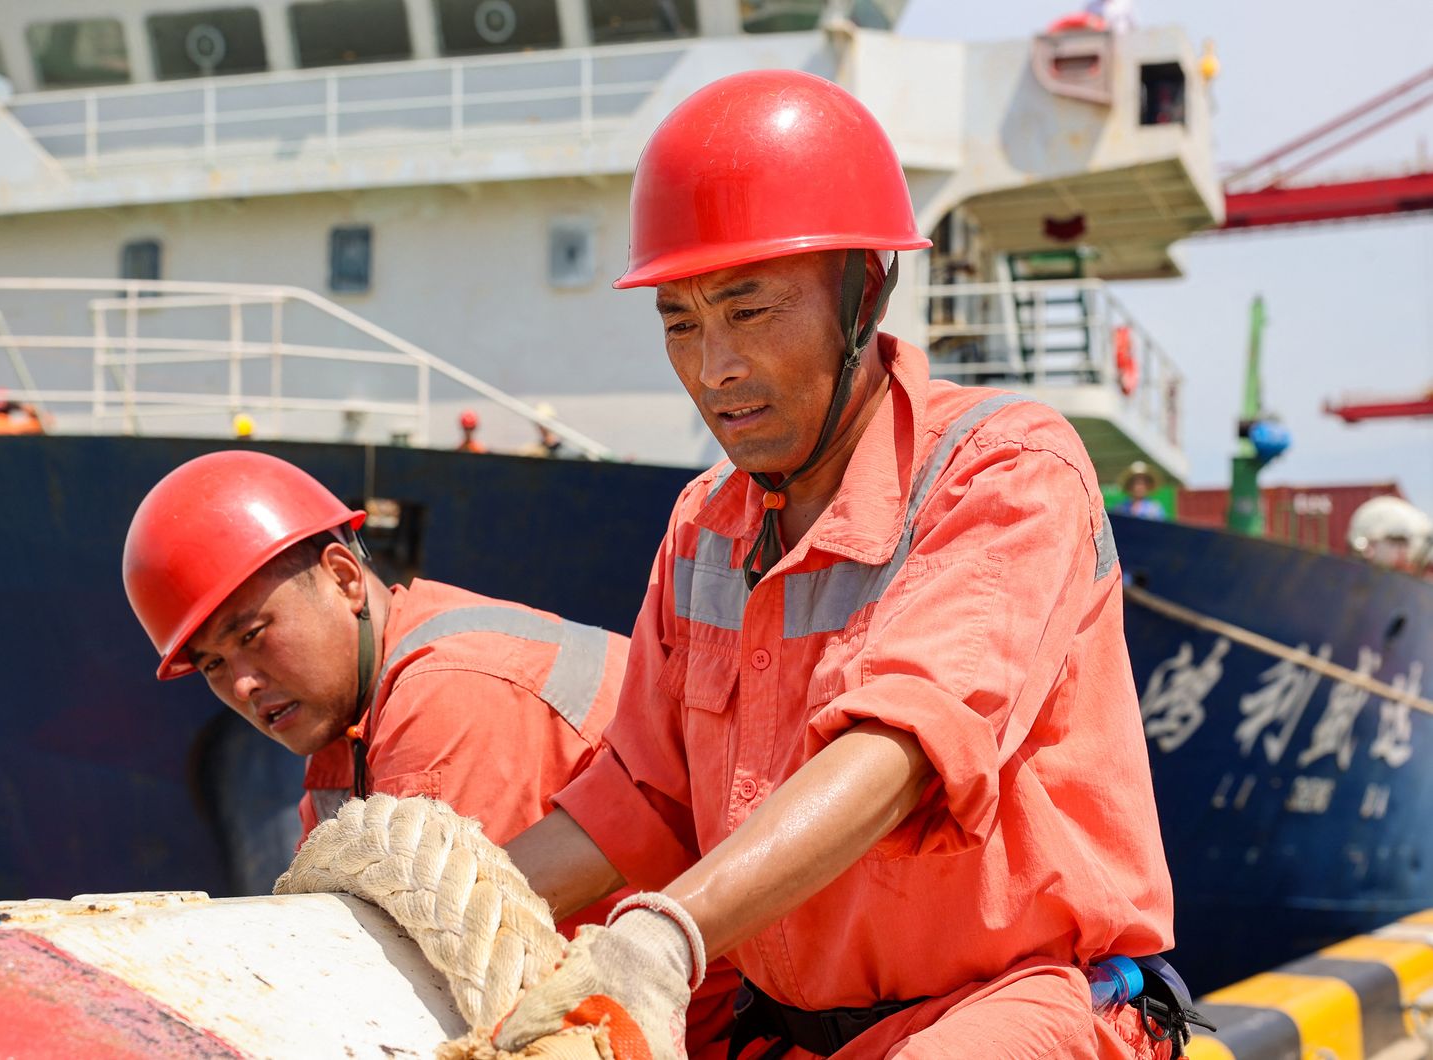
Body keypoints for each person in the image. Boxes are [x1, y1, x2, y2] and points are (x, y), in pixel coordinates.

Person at [491, 70, 1184, 1059]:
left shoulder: (1002, 469)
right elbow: (642, 800)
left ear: (865, 288)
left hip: (1012, 1008)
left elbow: (900, 749)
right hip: (794, 1029)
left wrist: (665, 934)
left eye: (750, 308)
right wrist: (445, 903)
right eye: (679, 321)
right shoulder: (704, 525)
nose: (714, 365)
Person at [120, 450, 628, 867]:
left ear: (344, 578)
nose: (241, 686)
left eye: (252, 635)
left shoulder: (447, 693)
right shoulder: (345, 733)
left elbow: (439, 952)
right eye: (213, 665)